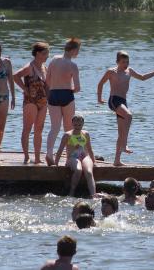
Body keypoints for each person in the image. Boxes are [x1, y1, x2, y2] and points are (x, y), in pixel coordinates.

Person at [97, 50, 154, 166]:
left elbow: (143, 77)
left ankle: (117, 160)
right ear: (117, 62)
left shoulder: (129, 71)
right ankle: (125, 144)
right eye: (123, 62)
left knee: (121, 131)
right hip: (114, 100)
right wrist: (99, 99)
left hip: (123, 102)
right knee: (129, 116)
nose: (126, 64)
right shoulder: (111, 72)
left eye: (127, 62)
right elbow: (100, 84)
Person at [45, 38, 81, 166]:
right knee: (69, 128)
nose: (78, 53)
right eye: (78, 50)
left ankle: (49, 153)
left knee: (54, 127)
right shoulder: (73, 65)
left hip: (53, 94)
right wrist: (69, 89)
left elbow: (47, 80)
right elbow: (77, 87)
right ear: (74, 50)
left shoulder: (54, 60)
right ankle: (69, 157)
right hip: (67, 95)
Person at [13, 42, 49, 164]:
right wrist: (25, 89)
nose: (47, 56)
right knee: (27, 129)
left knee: (39, 130)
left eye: (47, 53)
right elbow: (15, 76)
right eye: (45, 53)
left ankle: (38, 158)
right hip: (31, 101)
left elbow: (47, 85)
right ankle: (27, 156)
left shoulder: (45, 67)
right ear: (37, 53)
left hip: (43, 101)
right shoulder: (30, 67)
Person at [55, 114, 96, 197]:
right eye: (75, 125)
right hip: (72, 158)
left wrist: (94, 161)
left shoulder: (85, 134)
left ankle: (93, 194)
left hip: (84, 156)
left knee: (88, 172)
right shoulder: (67, 135)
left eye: (80, 125)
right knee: (78, 170)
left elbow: (90, 149)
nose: (77, 126)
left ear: (83, 124)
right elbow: (60, 150)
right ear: (72, 124)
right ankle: (72, 191)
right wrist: (56, 163)